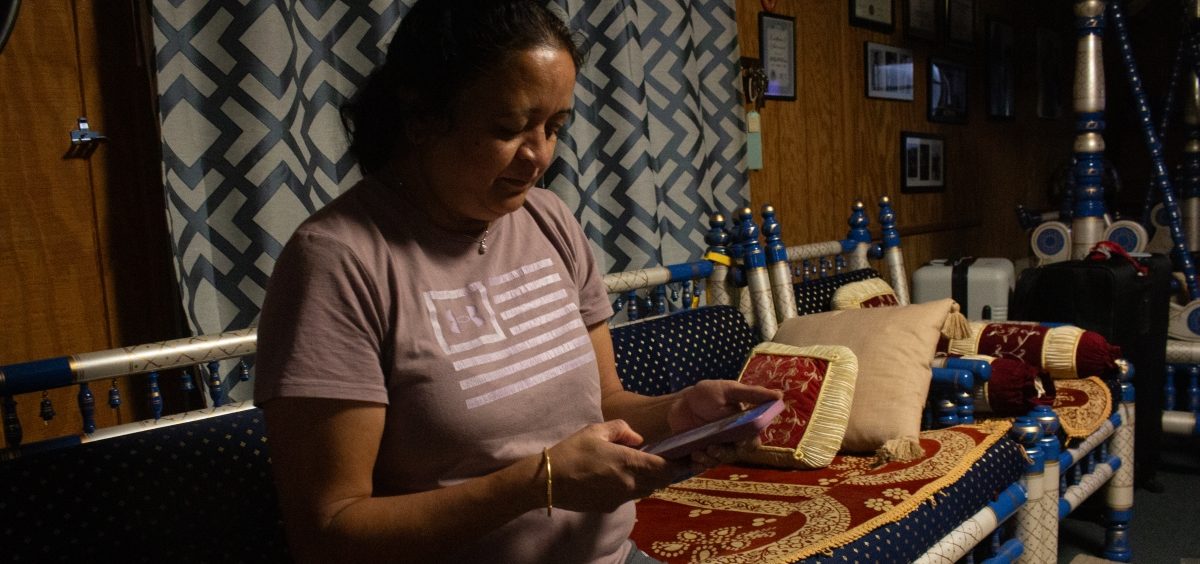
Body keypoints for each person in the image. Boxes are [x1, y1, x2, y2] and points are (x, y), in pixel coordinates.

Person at [253, 1, 780, 562]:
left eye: (554, 127)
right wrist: (539, 483)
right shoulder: (339, 262)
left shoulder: (548, 220)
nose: (539, 157)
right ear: (422, 116)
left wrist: (679, 413)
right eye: (509, 128)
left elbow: (602, 403)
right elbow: (327, 531)